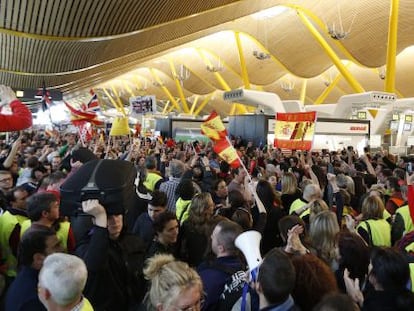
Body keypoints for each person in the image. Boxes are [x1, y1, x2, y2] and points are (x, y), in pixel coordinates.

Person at [76, 199, 146, 310]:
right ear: (95, 221)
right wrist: (100, 221)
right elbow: (94, 264)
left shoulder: (133, 240)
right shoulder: (87, 247)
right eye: (108, 217)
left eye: (118, 215)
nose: (115, 221)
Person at [5, 230, 62, 311]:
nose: (62, 249)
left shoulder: (30, 279)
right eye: (56, 246)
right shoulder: (34, 298)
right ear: (38, 258)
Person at [344, 247, 414, 310]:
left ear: (375, 278)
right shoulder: (407, 297)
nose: (368, 266)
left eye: (370, 264)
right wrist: (361, 299)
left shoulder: (375, 305)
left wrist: (352, 299)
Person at [197, 220, 243, 310]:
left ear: (221, 248)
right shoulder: (246, 267)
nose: (211, 237)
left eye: (213, 236)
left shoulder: (206, 276)